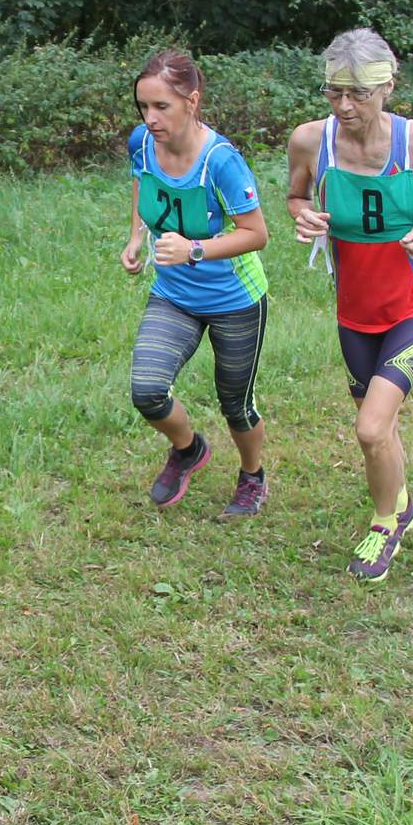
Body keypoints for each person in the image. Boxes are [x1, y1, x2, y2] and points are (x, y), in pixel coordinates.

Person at [286, 28, 413, 582]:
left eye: (360, 93)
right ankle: (403, 505)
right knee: (381, 426)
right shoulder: (310, 141)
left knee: (371, 428)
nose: (345, 106)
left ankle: (386, 524)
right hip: (355, 311)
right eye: (334, 92)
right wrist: (303, 215)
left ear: (388, 88)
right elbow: (296, 195)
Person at [121, 49, 273, 517]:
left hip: (234, 298)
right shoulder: (142, 143)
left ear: (192, 101)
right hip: (174, 295)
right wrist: (136, 236)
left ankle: (252, 476)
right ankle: (188, 450)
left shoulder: (220, 161)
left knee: (236, 404)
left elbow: (257, 234)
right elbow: (143, 184)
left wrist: (195, 250)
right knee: (147, 390)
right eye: (143, 106)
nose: (150, 118)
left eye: (161, 106)